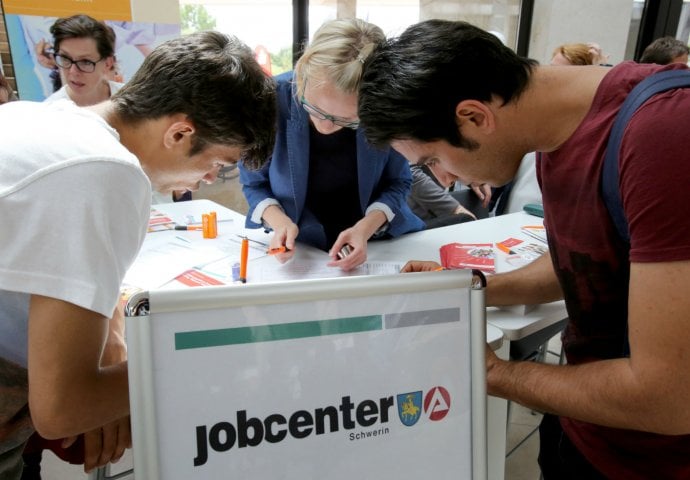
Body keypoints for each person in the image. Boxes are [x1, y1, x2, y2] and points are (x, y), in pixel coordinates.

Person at [358, 19, 690, 479]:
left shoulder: (664, 134)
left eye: (431, 160)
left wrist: (491, 372)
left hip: (657, 461)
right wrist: (474, 289)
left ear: (474, 117)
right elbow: (582, 257)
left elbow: (669, 397)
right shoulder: (553, 132)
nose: (444, 179)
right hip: (583, 425)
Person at [0, 30, 276, 479]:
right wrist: (210, 362)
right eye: (219, 163)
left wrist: (111, 334)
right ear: (180, 132)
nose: (209, 178)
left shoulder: (33, 118)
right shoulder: (106, 173)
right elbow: (63, 407)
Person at [239, 18, 423, 271]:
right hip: (301, 250)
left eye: (346, 120)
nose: (326, 126)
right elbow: (254, 183)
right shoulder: (269, 101)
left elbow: (398, 181)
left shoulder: (386, 107)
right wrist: (280, 222)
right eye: (313, 108)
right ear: (302, 73)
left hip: (379, 243)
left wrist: (366, 227)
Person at [43, 14, 123, 106]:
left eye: (85, 62)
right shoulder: (48, 113)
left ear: (107, 63)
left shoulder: (134, 102)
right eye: (65, 58)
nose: (73, 71)